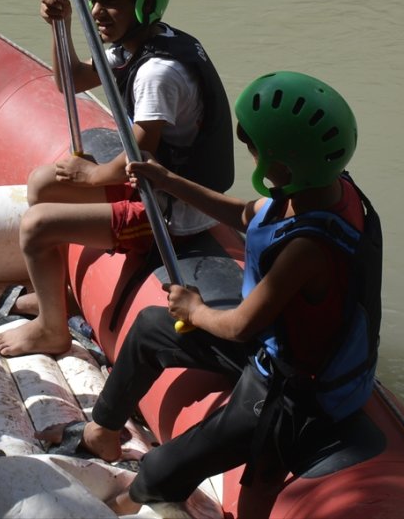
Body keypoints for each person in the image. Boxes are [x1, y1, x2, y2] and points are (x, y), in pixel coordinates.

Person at [76, 71, 382, 516]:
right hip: (273, 341)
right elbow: (245, 215)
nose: (250, 153)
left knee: (171, 465)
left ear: (284, 163)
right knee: (151, 328)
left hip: (295, 385)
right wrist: (166, 180)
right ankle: (103, 430)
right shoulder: (324, 188)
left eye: (255, 148)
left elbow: (241, 326)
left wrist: (195, 309)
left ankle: (129, 501)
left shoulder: (307, 249)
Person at [0, 0, 233, 358]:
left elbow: (141, 149)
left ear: (144, 5)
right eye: (94, 1)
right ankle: (59, 296)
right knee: (41, 182)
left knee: (36, 225)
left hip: (172, 208)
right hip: (151, 181)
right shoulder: (136, 43)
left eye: (111, 3)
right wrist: (61, 26)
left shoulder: (158, 73)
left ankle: (52, 330)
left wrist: (93, 176)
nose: (99, 12)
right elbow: (71, 80)